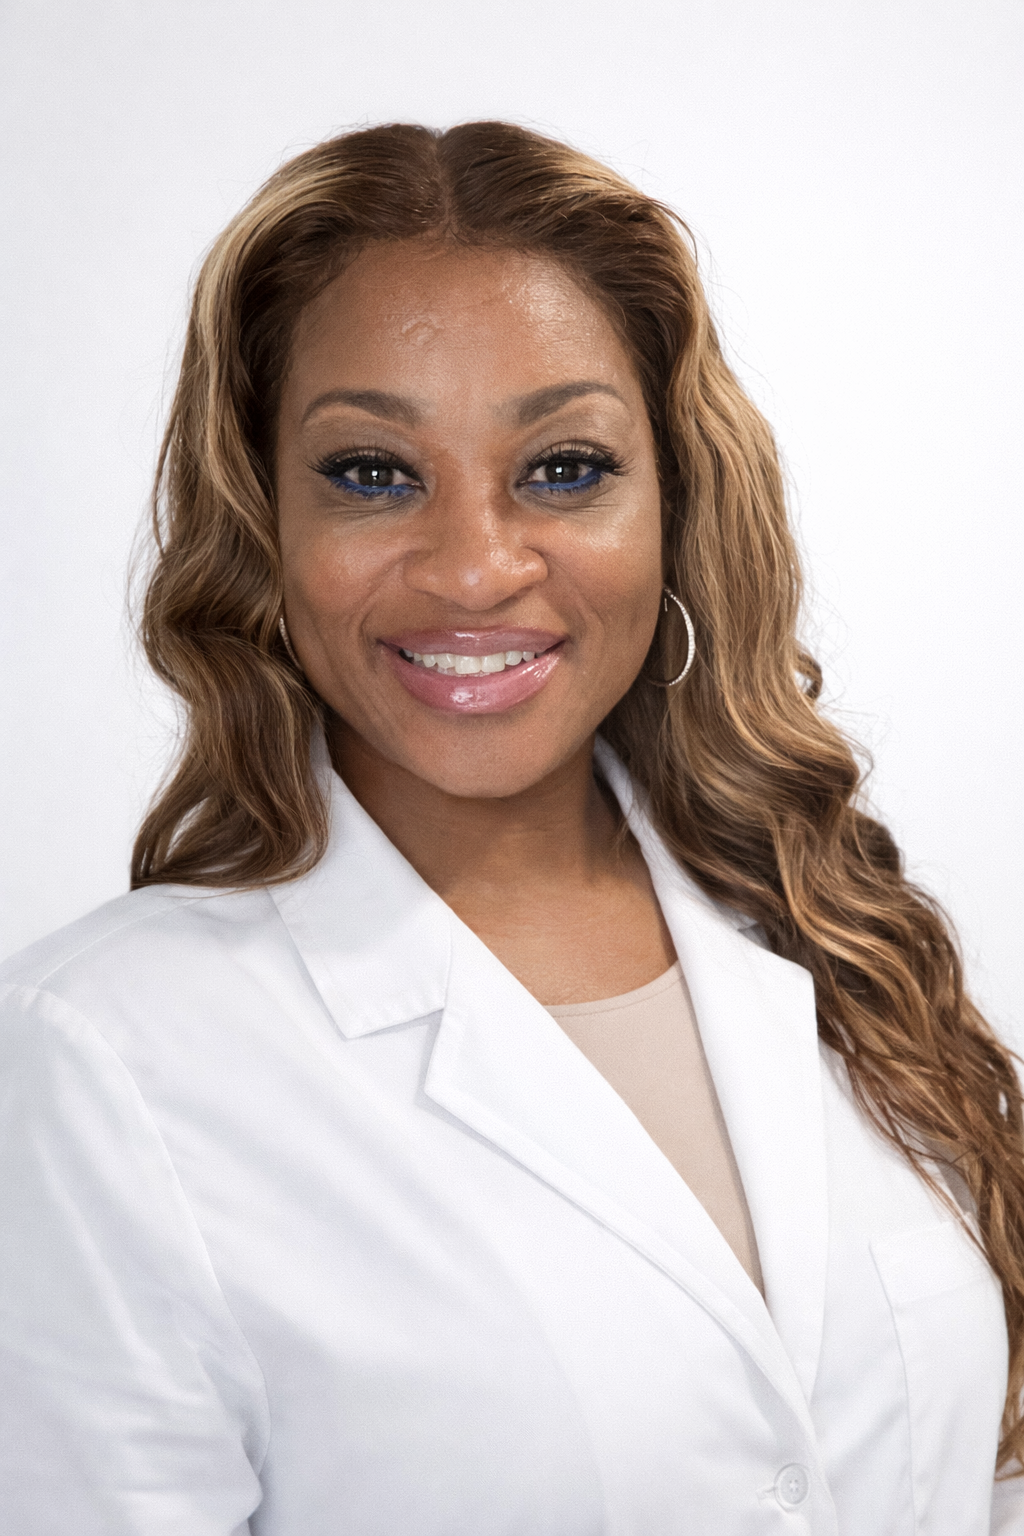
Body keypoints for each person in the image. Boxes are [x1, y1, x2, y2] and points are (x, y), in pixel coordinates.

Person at [1, 121, 1021, 1536]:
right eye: (371, 472)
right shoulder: (103, 1058)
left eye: (562, 467)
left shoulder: (831, 937)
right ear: (260, 521)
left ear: (674, 497)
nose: (477, 566)